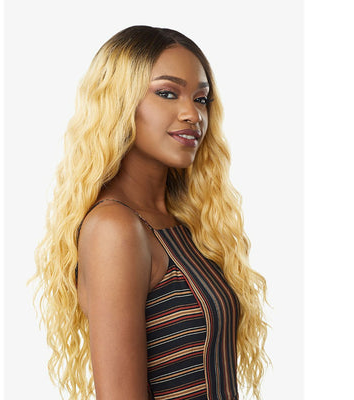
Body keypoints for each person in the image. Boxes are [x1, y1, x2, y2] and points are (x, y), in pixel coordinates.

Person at [32, 25, 269, 400]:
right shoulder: (115, 228)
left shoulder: (184, 224)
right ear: (120, 102)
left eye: (201, 99)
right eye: (167, 93)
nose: (192, 114)